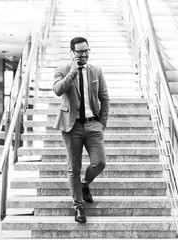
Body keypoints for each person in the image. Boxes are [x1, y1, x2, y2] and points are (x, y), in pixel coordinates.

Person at [53, 37, 109, 223]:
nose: (84, 54)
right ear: (72, 52)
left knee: (99, 162)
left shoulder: (96, 71)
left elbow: (105, 98)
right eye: (79, 51)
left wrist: (102, 123)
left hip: (93, 124)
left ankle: (85, 184)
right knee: (73, 169)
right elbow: (57, 90)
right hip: (71, 125)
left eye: (86, 51)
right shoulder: (62, 69)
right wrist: (72, 73)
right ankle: (78, 207)